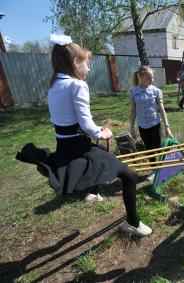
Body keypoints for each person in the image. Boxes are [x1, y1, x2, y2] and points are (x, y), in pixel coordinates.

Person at [16, 34, 152, 237]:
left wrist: (91, 130)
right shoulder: (77, 85)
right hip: (80, 148)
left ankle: (88, 189)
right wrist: (103, 132)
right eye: (87, 64)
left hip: (64, 147)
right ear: (75, 62)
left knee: (103, 164)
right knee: (129, 176)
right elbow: (87, 125)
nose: (88, 69)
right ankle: (132, 223)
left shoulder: (54, 85)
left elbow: (68, 121)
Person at [130, 65, 174, 181]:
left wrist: (167, 127)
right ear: (140, 77)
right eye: (149, 78)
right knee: (149, 149)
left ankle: (161, 167)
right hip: (143, 126)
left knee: (158, 148)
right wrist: (132, 128)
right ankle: (154, 170)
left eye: (152, 78)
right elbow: (133, 111)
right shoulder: (134, 92)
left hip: (155, 124)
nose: (152, 80)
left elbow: (162, 109)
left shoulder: (156, 91)